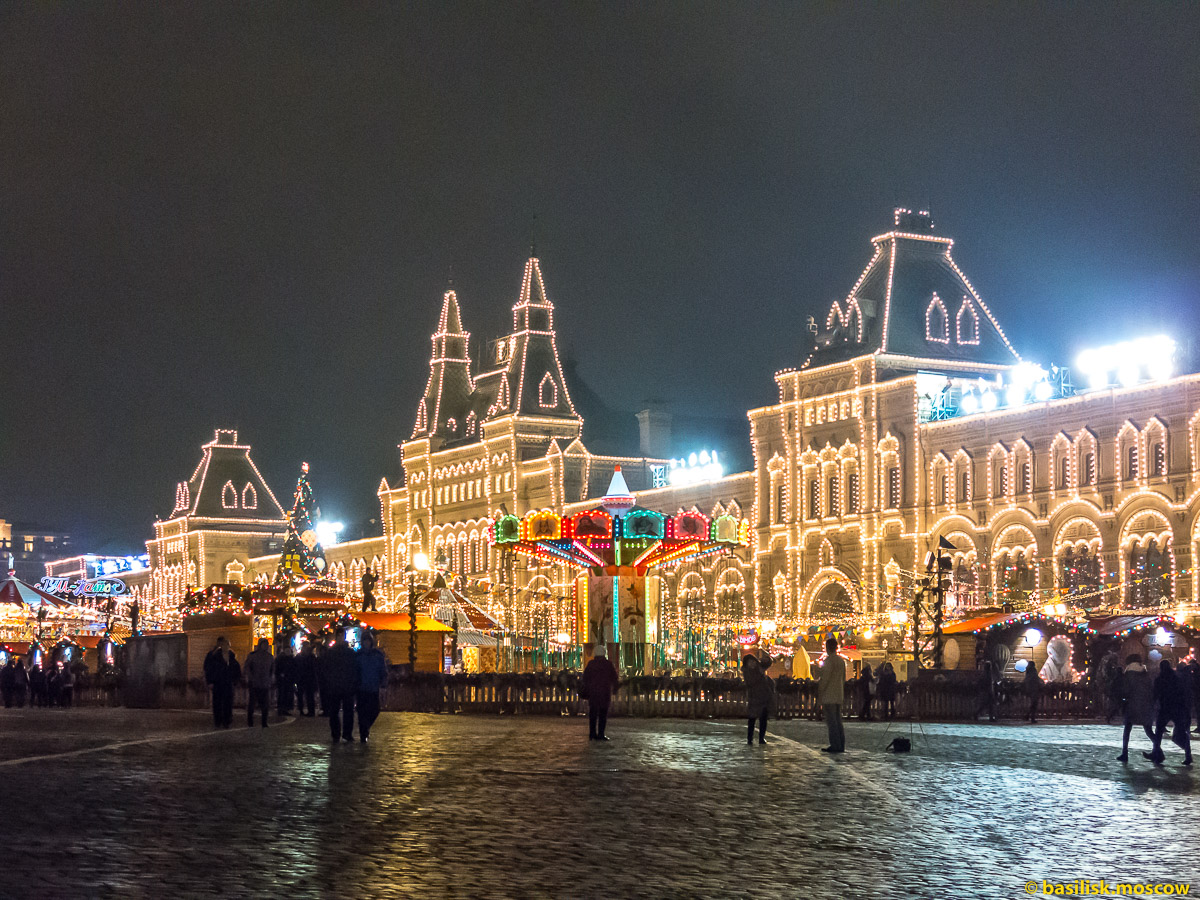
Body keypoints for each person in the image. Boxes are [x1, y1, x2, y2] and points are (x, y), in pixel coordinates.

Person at [1147, 660, 1193, 766]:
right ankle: (1188, 755)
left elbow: (1155, 694)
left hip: (1165, 708)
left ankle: (1157, 754)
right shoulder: (1176, 679)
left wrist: (1152, 705)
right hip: (1177, 708)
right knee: (1181, 732)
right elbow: (1182, 693)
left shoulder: (1160, 679)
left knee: (1158, 732)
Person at [320, 631, 360, 743]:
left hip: (345, 686)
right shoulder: (333, 653)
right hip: (337, 686)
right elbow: (325, 669)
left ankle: (345, 734)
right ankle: (338, 734)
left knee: (346, 712)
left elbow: (354, 669)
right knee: (336, 712)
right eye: (340, 636)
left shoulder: (347, 653)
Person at [1116, 654, 1155, 762]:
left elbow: (1126, 690)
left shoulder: (1128, 674)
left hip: (1132, 705)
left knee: (1127, 729)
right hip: (1146, 705)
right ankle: (1158, 751)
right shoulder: (1145, 673)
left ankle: (1125, 753)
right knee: (1148, 730)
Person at [580, 644, 620, 741]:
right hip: (604, 692)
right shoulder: (608, 664)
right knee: (603, 714)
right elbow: (614, 677)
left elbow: (585, 678)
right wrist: (615, 688)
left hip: (593, 692)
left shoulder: (591, 664)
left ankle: (592, 733)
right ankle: (601, 734)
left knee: (593, 714)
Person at [356, 631, 388, 743]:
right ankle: (363, 733)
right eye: (365, 641)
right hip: (361, 688)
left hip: (373, 687)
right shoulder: (358, 656)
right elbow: (355, 671)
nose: (367, 643)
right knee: (362, 712)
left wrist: (383, 684)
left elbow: (383, 671)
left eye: (368, 641)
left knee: (374, 710)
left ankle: (366, 727)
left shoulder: (377, 655)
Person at [817, 637, 847, 753]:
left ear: (828, 647)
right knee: (838, 721)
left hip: (829, 695)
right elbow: (843, 678)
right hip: (838, 694)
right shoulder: (841, 661)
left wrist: (820, 692)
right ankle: (841, 744)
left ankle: (835, 744)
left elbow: (825, 679)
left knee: (832, 722)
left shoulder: (829, 661)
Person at [203, 637, 240, 729]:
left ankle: (227, 721)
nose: (225, 647)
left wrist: (235, 680)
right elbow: (209, 669)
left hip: (228, 682)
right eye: (223, 645)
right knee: (217, 703)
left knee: (228, 702)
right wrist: (210, 681)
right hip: (218, 682)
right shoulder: (215, 657)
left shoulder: (232, 657)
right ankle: (218, 721)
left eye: (227, 645)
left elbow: (236, 669)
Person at [743, 652, 775, 745]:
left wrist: (768, 659)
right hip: (754, 698)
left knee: (763, 719)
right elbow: (751, 682)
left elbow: (768, 663)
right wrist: (760, 674)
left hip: (764, 697)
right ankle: (750, 739)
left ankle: (762, 738)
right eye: (750, 662)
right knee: (752, 719)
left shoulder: (760, 668)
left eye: (753, 661)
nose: (752, 664)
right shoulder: (747, 672)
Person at [243, 638, 274, 728]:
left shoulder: (269, 657)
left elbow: (272, 669)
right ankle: (250, 722)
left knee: (265, 704)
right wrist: (250, 677)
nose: (265, 646)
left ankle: (264, 722)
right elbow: (247, 667)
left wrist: (271, 678)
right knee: (252, 703)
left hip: (265, 682)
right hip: (254, 682)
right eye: (263, 644)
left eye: (266, 644)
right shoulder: (253, 656)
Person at [294, 640, 318, 717]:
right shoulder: (308, 657)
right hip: (303, 678)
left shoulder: (309, 657)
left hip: (306, 679)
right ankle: (306, 710)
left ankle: (309, 711)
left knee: (308, 695)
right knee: (304, 695)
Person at [275, 643, 296, 716]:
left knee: (287, 695)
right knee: (282, 695)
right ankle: (281, 709)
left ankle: (286, 709)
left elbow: (294, 669)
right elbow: (277, 668)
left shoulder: (291, 659)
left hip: (289, 680)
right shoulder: (281, 658)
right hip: (282, 680)